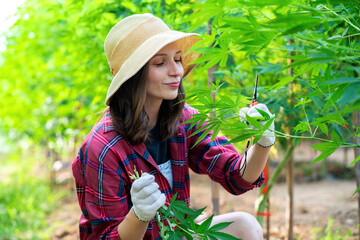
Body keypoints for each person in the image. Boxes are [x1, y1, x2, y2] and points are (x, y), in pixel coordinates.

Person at [72, 13, 275, 240]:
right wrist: (139, 215)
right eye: (160, 63)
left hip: (175, 235)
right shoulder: (103, 148)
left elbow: (236, 176)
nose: (177, 71)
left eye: (177, 59)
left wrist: (262, 141)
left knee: (245, 227)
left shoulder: (183, 118)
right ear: (134, 76)